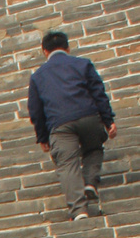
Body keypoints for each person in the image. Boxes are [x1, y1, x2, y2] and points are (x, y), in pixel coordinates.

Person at [28, 30, 116, 221]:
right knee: (93, 148)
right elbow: (98, 93)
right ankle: (90, 182)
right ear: (67, 47)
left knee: (67, 164)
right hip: (88, 116)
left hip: (60, 125)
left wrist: (42, 137)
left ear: (44, 51)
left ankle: (79, 212)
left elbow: (35, 110)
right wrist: (108, 121)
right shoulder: (82, 64)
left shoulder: (38, 77)